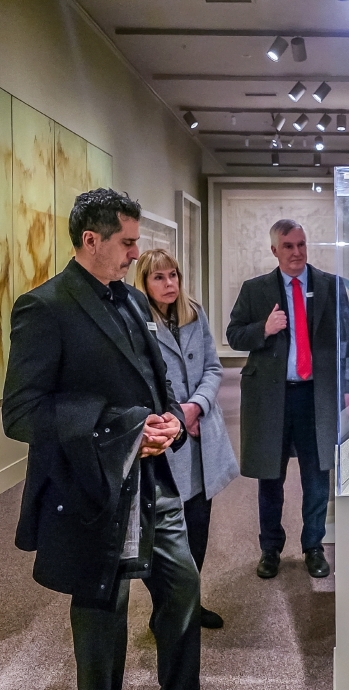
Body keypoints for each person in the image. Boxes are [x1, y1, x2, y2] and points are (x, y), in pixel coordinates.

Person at [2, 189, 250, 690]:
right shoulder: (45, 307)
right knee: (103, 612)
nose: (138, 254)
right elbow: (21, 413)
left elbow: (151, 383)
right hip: (94, 489)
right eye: (129, 242)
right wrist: (120, 430)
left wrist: (161, 421)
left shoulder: (133, 302)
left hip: (155, 480)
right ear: (91, 240)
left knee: (183, 588)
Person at [227, 219, 349, 580]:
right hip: (271, 398)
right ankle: (270, 549)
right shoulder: (255, 290)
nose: (297, 252)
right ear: (274, 250)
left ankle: (313, 545)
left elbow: (346, 340)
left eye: (301, 244)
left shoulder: (330, 286)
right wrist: (263, 329)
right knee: (271, 477)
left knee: (317, 476)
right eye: (288, 246)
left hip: (316, 396)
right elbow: (234, 335)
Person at [134, 249, 240, 629]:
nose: (169, 284)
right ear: (144, 282)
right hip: (165, 438)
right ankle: (167, 610)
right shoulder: (137, 321)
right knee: (163, 536)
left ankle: (189, 604)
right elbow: (139, 382)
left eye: (173, 275)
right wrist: (178, 415)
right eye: (159, 277)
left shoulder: (193, 313)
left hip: (201, 437)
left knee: (198, 528)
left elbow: (213, 367)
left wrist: (195, 407)